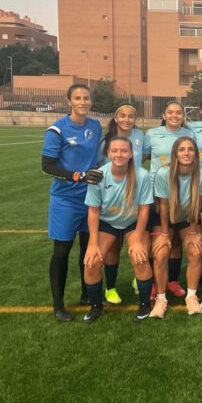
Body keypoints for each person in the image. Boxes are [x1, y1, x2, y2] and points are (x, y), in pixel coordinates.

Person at [42, 84, 103, 322]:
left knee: (88, 249)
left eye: (86, 98)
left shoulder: (95, 126)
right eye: (77, 98)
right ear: (69, 101)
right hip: (65, 200)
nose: (82, 102)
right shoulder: (57, 129)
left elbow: (97, 158)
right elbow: (47, 166)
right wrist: (76, 175)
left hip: (90, 198)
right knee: (62, 251)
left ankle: (87, 294)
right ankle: (58, 305)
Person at [82, 136, 153, 323]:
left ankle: (145, 303)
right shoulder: (98, 176)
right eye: (114, 151)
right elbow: (93, 212)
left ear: (131, 154)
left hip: (133, 222)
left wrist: (137, 238)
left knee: (140, 257)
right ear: (108, 153)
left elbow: (145, 209)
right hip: (108, 222)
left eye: (124, 151)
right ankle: (96, 306)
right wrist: (93, 243)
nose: (119, 154)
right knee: (92, 262)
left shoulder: (142, 175)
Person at [150, 137, 202, 318]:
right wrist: (163, 233)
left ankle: (191, 297)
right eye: (182, 149)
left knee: (195, 250)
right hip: (165, 219)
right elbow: (163, 206)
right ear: (175, 153)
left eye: (190, 149)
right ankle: (161, 299)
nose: (186, 153)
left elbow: (197, 205)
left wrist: (193, 232)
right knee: (160, 252)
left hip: (188, 218)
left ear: (196, 153)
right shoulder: (163, 173)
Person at [143, 101, 195, 299]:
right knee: (159, 239)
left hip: (182, 192)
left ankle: (172, 280)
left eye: (179, 112)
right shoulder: (152, 134)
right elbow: (143, 157)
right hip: (158, 193)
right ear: (164, 115)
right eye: (170, 112)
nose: (175, 115)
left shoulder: (190, 134)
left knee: (175, 243)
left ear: (183, 115)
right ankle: (155, 284)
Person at [97, 103, 146, 305]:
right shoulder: (105, 142)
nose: (127, 119)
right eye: (122, 116)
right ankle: (110, 288)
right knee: (113, 248)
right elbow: (100, 169)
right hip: (112, 198)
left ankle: (138, 279)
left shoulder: (141, 136)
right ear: (116, 118)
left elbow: (147, 155)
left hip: (135, 196)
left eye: (131, 116)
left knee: (141, 244)